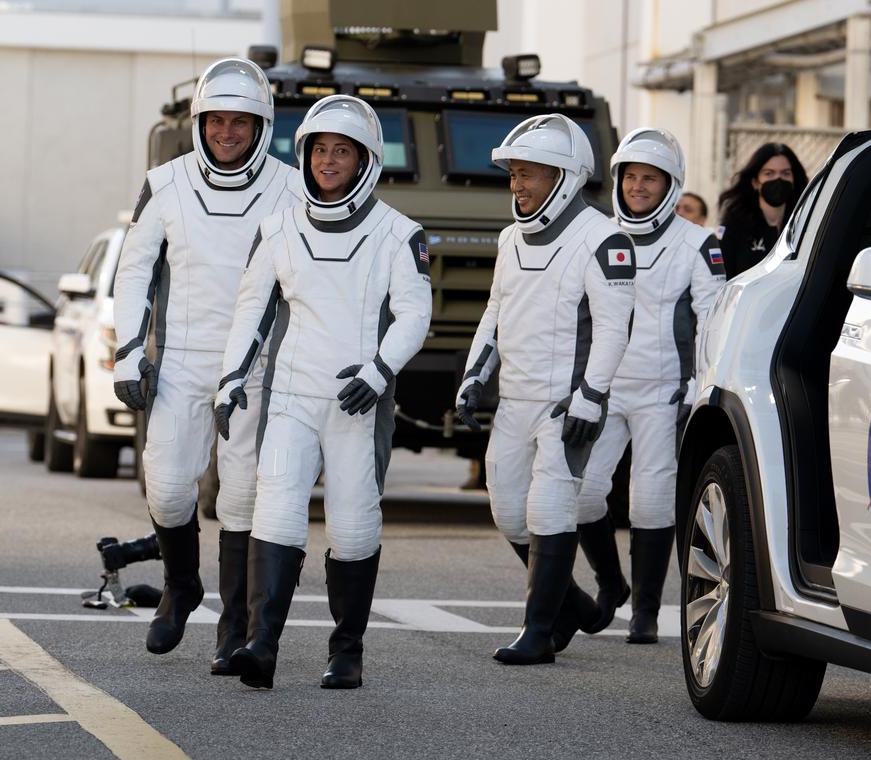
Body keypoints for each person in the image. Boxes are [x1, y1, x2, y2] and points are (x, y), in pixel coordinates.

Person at [214, 95, 431, 689]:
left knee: (354, 526)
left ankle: (347, 651)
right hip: (290, 395)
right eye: (318, 150)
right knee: (277, 508)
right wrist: (232, 378)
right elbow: (251, 312)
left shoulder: (398, 232)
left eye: (341, 151)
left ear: (366, 160)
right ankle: (261, 646)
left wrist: (379, 371)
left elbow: (415, 314)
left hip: (357, 401)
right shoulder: (278, 226)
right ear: (304, 154)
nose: (327, 161)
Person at [111, 57, 301, 674]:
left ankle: (236, 628)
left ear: (260, 125)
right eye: (216, 120)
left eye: (240, 122)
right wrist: (129, 351)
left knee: (242, 497)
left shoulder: (290, 187)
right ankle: (181, 585)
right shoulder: (163, 183)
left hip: (256, 362)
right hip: (184, 360)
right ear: (198, 122)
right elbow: (135, 270)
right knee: (166, 489)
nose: (227, 132)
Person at [454, 113, 636, 665]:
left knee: (550, 510)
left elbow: (613, 327)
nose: (518, 185)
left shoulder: (605, 239)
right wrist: (473, 375)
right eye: (514, 174)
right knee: (508, 512)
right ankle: (574, 608)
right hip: (514, 400)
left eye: (529, 174)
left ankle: (538, 633)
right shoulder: (510, 239)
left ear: (565, 176)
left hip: (568, 403)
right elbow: (495, 312)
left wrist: (591, 395)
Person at [575, 129, 726, 644]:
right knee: (582, 494)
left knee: (650, 503)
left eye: (651, 179)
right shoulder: (594, 233)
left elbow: (712, 319)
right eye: (632, 176)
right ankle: (610, 582)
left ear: (671, 185)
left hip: (665, 390)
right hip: (604, 387)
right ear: (618, 180)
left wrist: (698, 388)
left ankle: (644, 613)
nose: (639, 187)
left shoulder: (699, 243)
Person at [717, 142, 808, 279]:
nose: (778, 179)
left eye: (786, 173)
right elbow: (723, 276)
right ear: (755, 182)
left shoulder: (806, 221)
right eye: (769, 173)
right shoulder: (734, 223)